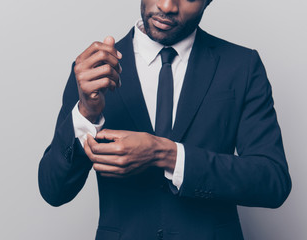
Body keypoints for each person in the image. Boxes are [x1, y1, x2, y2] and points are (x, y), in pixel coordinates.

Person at [38, 0, 292, 239]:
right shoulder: (94, 70)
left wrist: (167, 154)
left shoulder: (241, 65)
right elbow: (54, 191)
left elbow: (272, 182)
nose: (167, 6)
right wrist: (86, 112)